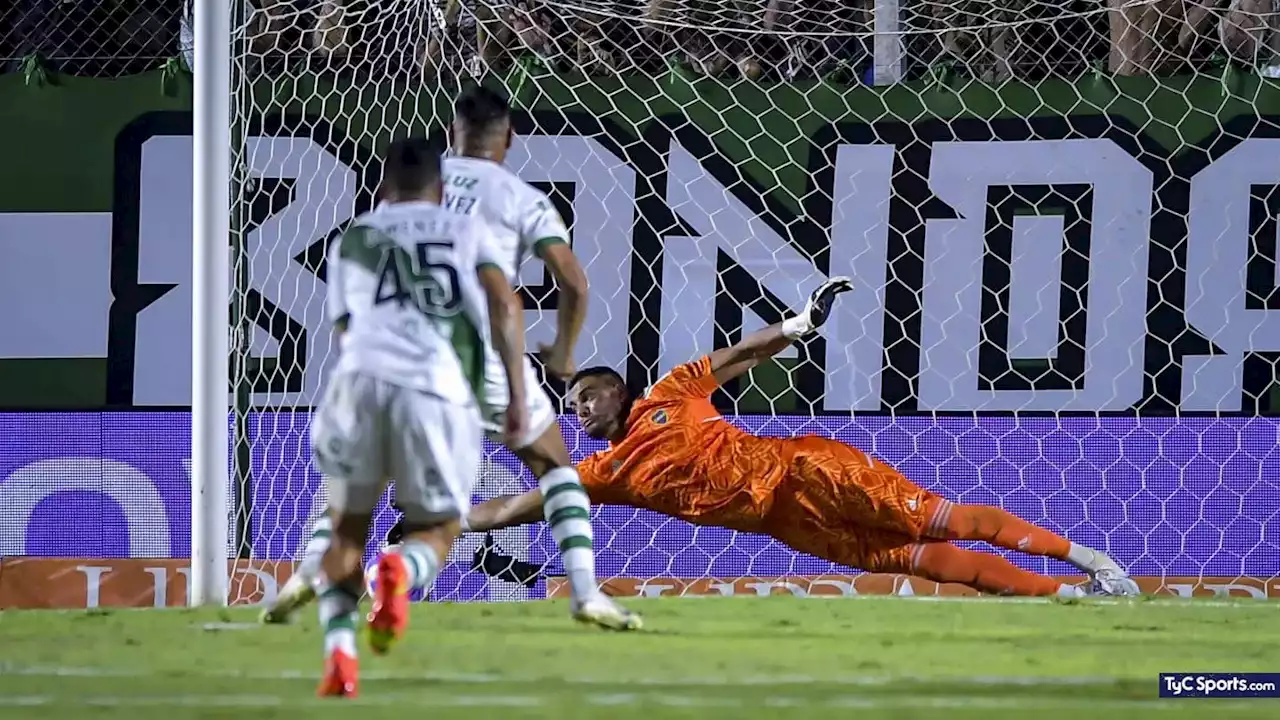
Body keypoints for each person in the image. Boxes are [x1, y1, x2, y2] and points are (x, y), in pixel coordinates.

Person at [454, 276, 1142, 599]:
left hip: (808, 471)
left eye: (586, 395)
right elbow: (523, 506)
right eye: (571, 404)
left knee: (947, 520)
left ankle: (1092, 559)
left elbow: (739, 357)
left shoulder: (670, 393)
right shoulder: (605, 473)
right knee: (920, 561)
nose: (578, 409)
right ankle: (1067, 599)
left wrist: (795, 327)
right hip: (788, 525)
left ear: (618, 389)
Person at [263, 85, 639, 631]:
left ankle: (314, 569)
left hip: (399, 361)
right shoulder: (519, 198)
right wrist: (561, 350)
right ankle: (585, 593)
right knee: (557, 469)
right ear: (509, 138)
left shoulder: (412, 200)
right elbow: (573, 283)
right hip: (481, 356)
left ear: (449, 137)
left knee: (362, 481)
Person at [308, 136, 528, 698]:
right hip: (433, 392)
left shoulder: (354, 237)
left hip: (358, 386)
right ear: (441, 186)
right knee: (437, 528)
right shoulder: (466, 230)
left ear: (385, 185)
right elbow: (504, 307)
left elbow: (345, 328)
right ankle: (400, 574)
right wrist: (516, 394)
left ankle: (339, 654)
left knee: (345, 531)